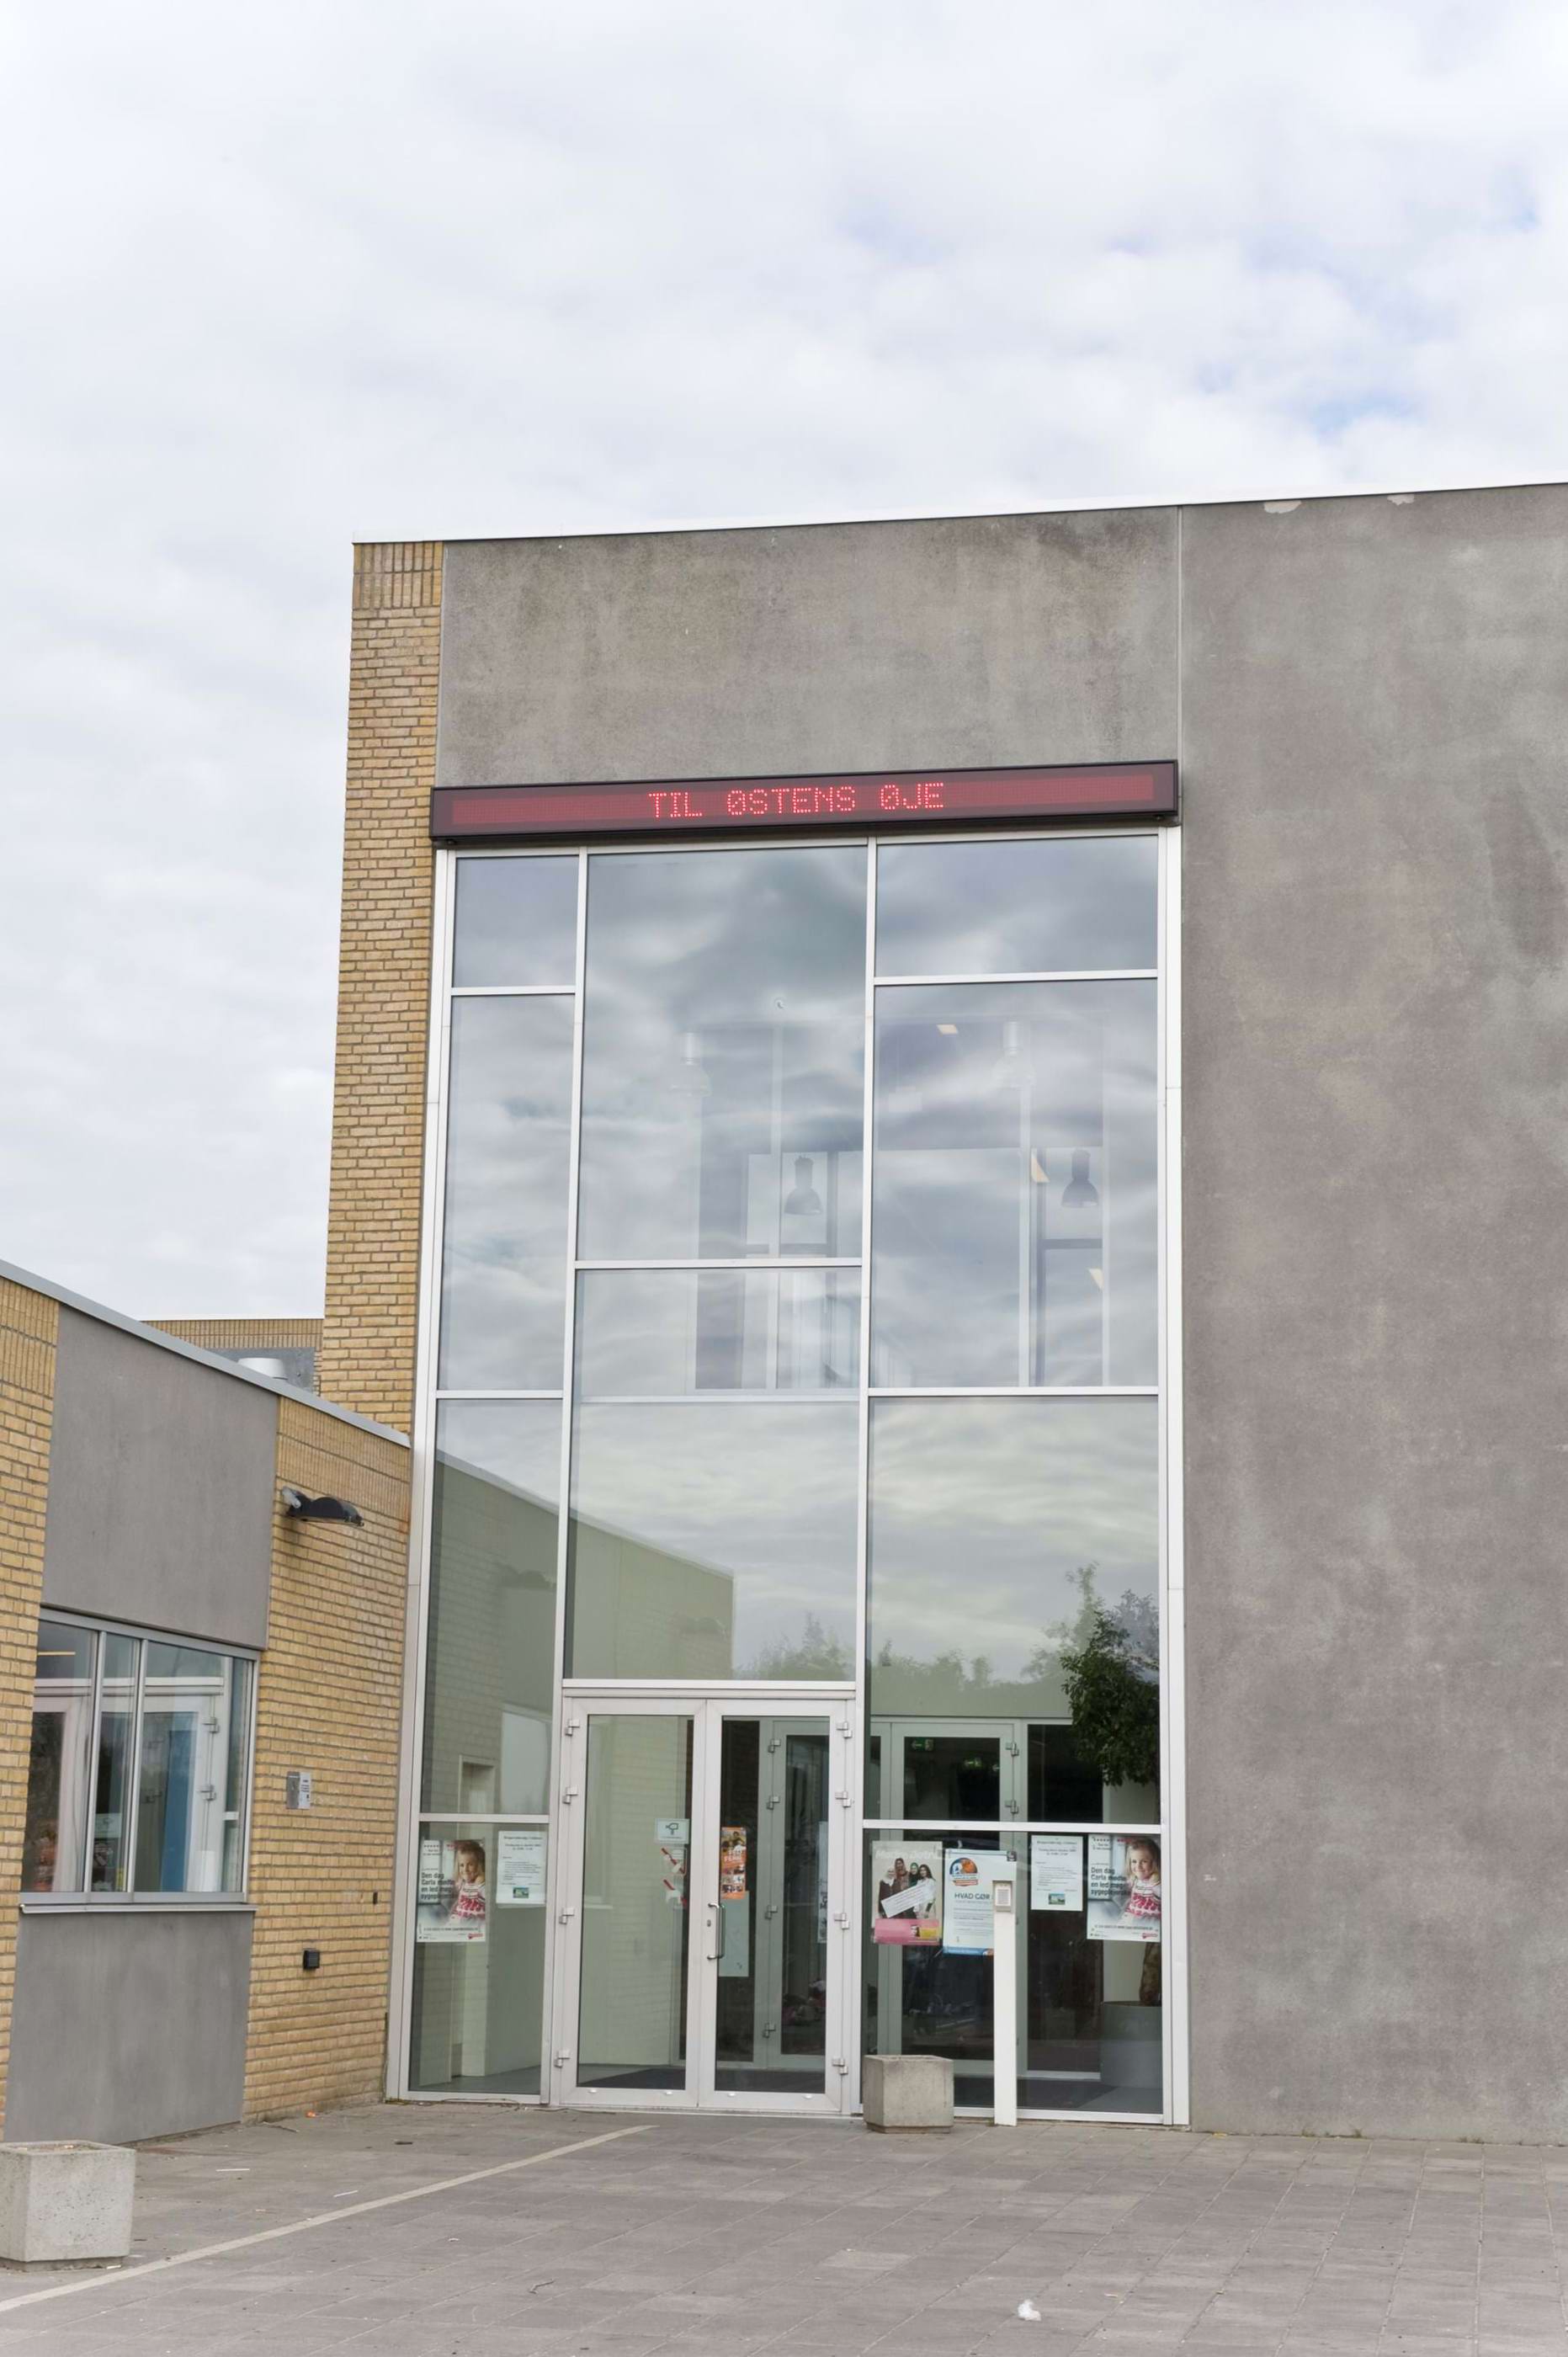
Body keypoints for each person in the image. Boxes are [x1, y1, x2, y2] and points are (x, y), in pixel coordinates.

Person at [1120, 1837, 1161, 1929]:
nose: (1138, 1866)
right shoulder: (1135, 1881)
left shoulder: (1157, 1884)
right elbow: (1132, 1904)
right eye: (1134, 1861)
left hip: (1150, 1923)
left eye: (1144, 1861)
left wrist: (1155, 1884)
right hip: (1132, 1919)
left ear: (1154, 1862)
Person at [449, 1838, 486, 1924]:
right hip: (458, 1921)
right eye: (462, 1865)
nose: (465, 1869)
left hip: (474, 1923)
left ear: (479, 1865)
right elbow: (460, 1902)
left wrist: (480, 1885)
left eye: (470, 1865)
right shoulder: (463, 1883)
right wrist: (453, 1914)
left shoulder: (481, 1885)